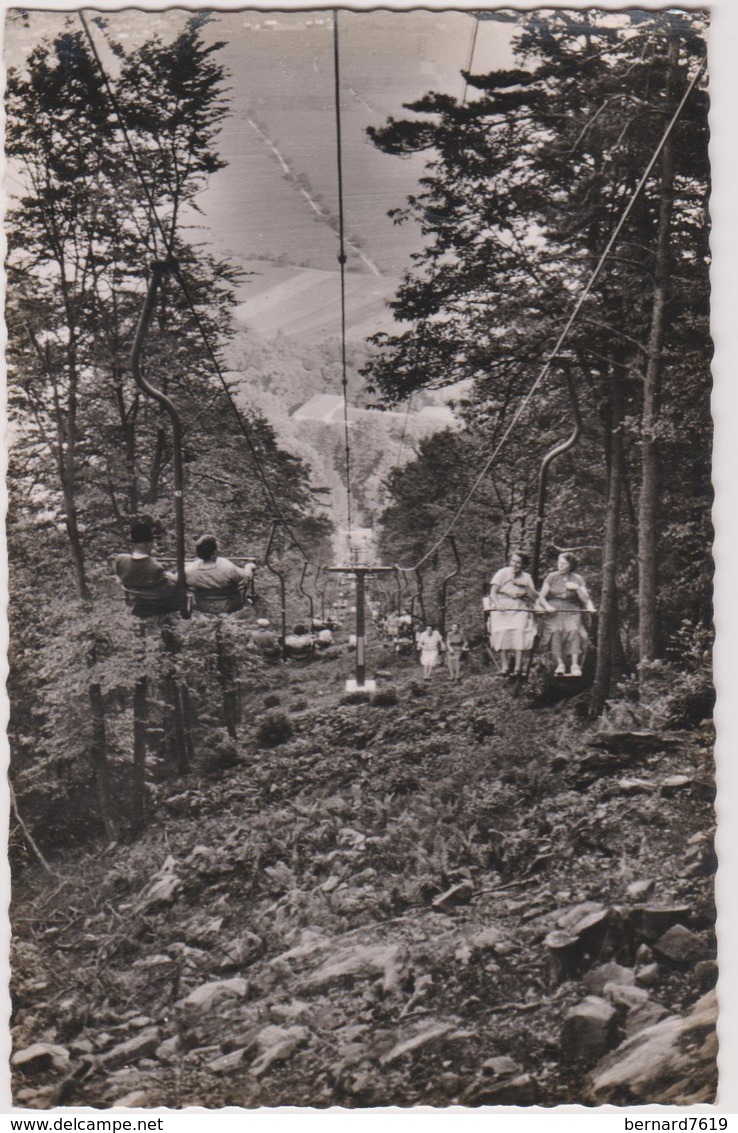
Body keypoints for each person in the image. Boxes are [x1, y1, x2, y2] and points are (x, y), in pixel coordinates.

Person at [539, 552, 596, 676]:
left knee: (574, 630)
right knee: (555, 631)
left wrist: (577, 588)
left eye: (564, 564)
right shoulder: (551, 576)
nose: (560, 566)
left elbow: (586, 599)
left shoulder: (577, 578)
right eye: (559, 563)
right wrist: (547, 606)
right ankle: (560, 664)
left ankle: (575, 665)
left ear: (570, 565)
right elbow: (542, 596)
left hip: (572, 608)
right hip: (555, 608)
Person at [489, 551, 540, 678]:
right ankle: (505, 667)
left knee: (519, 632)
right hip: (502, 605)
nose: (515, 565)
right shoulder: (502, 573)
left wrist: (525, 586)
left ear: (523, 565)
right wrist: (497, 604)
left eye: (518, 562)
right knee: (502, 632)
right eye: (513, 561)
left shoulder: (527, 577)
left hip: (519, 606)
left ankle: (518, 668)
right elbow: (493, 592)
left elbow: (534, 597)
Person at [114, 521, 178, 615]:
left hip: (136, 596)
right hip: (154, 601)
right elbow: (168, 587)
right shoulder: (155, 567)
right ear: (149, 544)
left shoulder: (120, 559)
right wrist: (170, 576)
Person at [185, 534, 256, 614]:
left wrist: (185, 566)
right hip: (228, 605)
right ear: (214, 551)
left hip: (201, 606)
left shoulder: (190, 569)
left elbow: (175, 580)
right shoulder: (226, 565)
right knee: (242, 583)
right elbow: (245, 577)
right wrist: (248, 567)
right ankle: (250, 601)